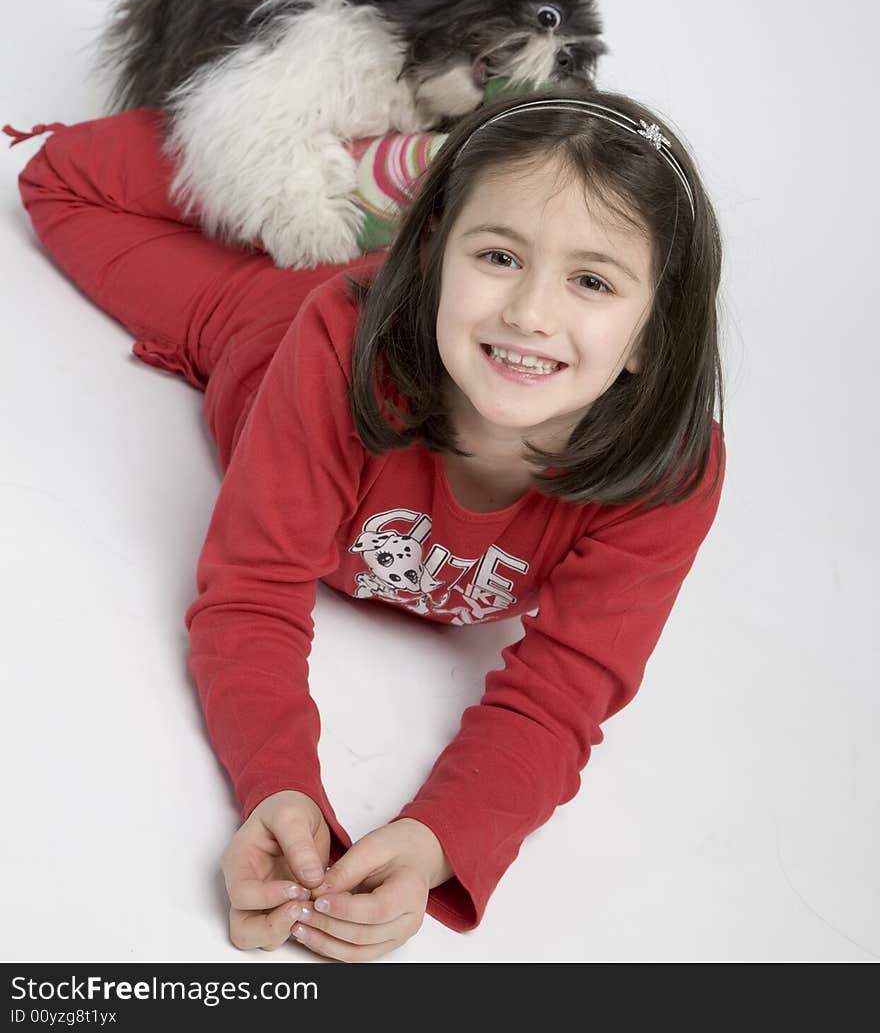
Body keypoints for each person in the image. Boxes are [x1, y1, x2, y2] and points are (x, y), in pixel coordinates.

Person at [9, 83, 726, 961]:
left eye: (591, 280)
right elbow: (251, 593)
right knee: (61, 180)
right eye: (498, 256)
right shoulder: (340, 340)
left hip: (390, 299)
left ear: (653, 329)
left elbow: (563, 695)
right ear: (431, 259)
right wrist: (277, 781)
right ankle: (344, 146)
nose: (531, 313)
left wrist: (437, 840)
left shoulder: (671, 471)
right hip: (260, 326)